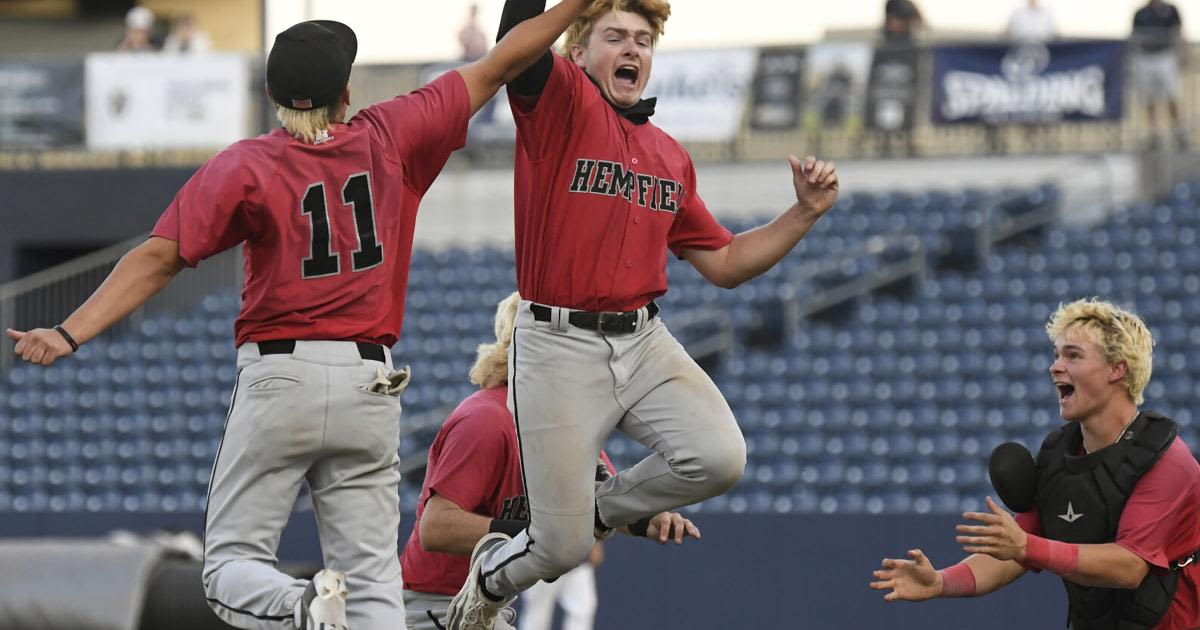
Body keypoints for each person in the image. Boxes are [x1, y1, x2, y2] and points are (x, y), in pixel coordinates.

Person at [7, 3, 593, 629]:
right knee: (373, 589)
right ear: (346, 92)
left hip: (280, 375)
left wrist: (69, 331)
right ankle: (332, 609)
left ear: (273, 94)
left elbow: (157, 258)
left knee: (228, 567)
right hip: (370, 381)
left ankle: (303, 604)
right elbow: (505, 59)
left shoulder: (247, 164)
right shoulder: (392, 131)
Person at [445, 2, 839, 629]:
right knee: (562, 548)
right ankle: (491, 578)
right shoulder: (560, 104)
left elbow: (728, 261)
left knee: (719, 455)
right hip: (556, 343)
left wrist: (805, 213)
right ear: (577, 53)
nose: (632, 49)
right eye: (614, 37)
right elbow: (516, 44)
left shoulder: (668, 154)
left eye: (643, 39)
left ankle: (592, 508)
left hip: (642, 337)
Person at [870, 298, 1200, 629]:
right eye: (1056, 355)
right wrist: (941, 582)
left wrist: (1026, 546)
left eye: (1073, 355)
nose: (1055, 366)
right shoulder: (1059, 452)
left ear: (1117, 369)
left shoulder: (1167, 460)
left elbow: (1129, 568)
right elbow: (1014, 552)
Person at [400, 292, 701, 630]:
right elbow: (436, 528)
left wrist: (648, 520)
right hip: (437, 608)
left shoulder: (559, 419)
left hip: (483, 606)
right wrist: (541, 535)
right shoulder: (484, 420)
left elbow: (600, 497)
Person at [1132, 0, 1187, 150]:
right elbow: (1135, 36)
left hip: (1165, 56)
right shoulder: (1140, 13)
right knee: (1149, 98)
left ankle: (1178, 131)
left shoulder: (1170, 9)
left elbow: (1178, 32)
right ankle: (1154, 134)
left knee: (1172, 95)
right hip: (1145, 57)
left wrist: (1182, 54)